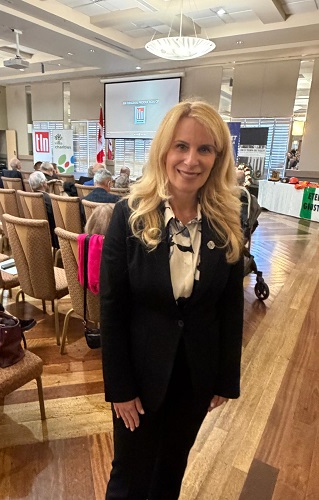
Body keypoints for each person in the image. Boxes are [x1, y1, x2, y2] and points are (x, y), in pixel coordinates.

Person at [100, 100, 244, 499]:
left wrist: (224, 379)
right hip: (140, 377)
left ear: (218, 158)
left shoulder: (226, 220)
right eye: (181, 146)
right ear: (164, 150)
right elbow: (111, 310)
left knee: (172, 469)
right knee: (129, 475)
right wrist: (120, 388)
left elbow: (231, 309)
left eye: (204, 149)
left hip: (196, 374)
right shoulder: (127, 216)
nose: (191, 160)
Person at [28, 170, 59, 248]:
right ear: (43, 184)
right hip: (52, 237)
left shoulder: (27, 197)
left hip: (34, 233)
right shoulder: (49, 199)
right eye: (46, 180)